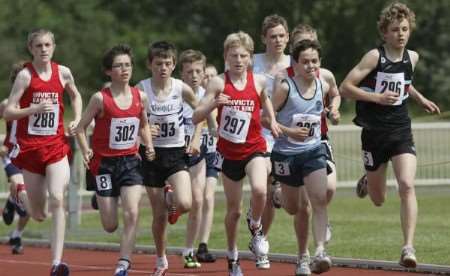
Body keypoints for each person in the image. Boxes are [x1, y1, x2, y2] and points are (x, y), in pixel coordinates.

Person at [339, 2, 440, 268]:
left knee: (406, 185)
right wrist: (376, 97)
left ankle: (408, 247)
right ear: (385, 32)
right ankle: (368, 180)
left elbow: (405, 82)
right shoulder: (374, 57)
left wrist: (420, 98)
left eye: (405, 29)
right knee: (378, 199)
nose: (401, 34)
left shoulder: (413, 57)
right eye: (395, 30)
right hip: (373, 133)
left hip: (400, 130)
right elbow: (345, 87)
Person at [193, 31, 281, 276]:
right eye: (234, 56)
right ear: (225, 57)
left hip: (254, 147)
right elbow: (195, 116)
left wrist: (272, 120)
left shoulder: (259, 81)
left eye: (243, 56)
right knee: (234, 210)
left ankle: (256, 226)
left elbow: (266, 101)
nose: (239, 60)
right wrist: (213, 104)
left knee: (261, 189)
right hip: (229, 153)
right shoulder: (219, 83)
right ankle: (232, 257)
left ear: (250, 58)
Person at [4, 28, 82, 276]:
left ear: (54, 47)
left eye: (47, 45)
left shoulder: (63, 72)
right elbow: (9, 111)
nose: (44, 50)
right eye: (38, 46)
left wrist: (77, 119)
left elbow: (76, 95)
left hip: (56, 145)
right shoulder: (26, 76)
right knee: (38, 214)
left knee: (57, 198)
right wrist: (33, 109)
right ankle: (19, 193)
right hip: (30, 149)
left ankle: (57, 263)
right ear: (31, 49)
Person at [76, 44, 155, 276]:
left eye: (127, 65)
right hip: (104, 166)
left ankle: (123, 262)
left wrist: (148, 144)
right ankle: (99, 200)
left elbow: (143, 125)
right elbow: (80, 128)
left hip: (130, 162)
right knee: (110, 225)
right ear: (108, 71)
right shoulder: (100, 99)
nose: (124, 69)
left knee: (132, 212)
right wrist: (85, 150)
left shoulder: (140, 97)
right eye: (119, 66)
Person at [270, 39, 335, 276]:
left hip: (313, 151)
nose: (310, 66)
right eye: (305, 62)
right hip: (286, 154)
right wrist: (289, 132)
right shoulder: (286, 87)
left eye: (314, 61)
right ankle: (277, 193)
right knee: (293, 207)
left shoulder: (323, 84)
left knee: (318, 199)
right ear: (295, 64)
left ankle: (317, 252)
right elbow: (265, 118)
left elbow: (334, 97)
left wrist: (333, 110)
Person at [137, 41, 202, 276]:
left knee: (186, 203)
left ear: (174, 65)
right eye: (158, 64)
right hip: (151, 154)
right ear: (149, 65)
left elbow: (200, 112)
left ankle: (172, 198)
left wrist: (196, 139)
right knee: (159, 215)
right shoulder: (141, 90)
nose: (162, 68)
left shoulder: (181, 88)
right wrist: (142, 131)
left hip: (175, 152)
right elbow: (128, 117)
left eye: (167, 63)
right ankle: (161, 259)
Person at [286, 23, 341, 244]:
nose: (307, 47)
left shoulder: (324, 75)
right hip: (290, 144)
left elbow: (335, 94)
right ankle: (304, 254)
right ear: (294, 48)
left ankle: (322, 221)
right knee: (299, 207)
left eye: (310, 42)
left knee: (328, 189)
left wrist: (334, 109)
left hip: (319, 140)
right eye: (301, 43)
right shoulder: (284, 77)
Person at [250, 14, 291, 270]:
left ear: (287, 37)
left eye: (281, 36)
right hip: (257, 131)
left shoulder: (294, 62)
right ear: (263, 38)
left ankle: (260, 232)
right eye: (272, 36)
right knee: (265, 189)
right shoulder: (251, 63)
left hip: (286, 132)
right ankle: (260, 236)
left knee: (278, 196)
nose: (277, 40)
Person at [179, 49, 217, 268]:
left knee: (199, 201)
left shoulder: (207, 95)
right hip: (174, 154)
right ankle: (170, 198)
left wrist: (213, 130)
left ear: (204, 73)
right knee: (181, 203)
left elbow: (209, 122)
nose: (194, 75)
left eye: (198, 71)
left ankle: (189, 251)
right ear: (182, 74)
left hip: (199, 153)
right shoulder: (174, 93)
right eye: (189, 71)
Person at [0, 62, 31, 255]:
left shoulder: (37, 102)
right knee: (16, 184)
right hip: (11, 153)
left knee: (29, 209)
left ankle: (17, 234)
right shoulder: (6, 104)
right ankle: (14, 198)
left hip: (32, 154)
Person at [196, 63, 219, 264]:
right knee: (195, 198)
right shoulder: (197, 98)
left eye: (213, 76)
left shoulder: (222, 99)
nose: (210, 79)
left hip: (213, 153)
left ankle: (203, 245)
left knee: (209, 197)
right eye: (207, 76)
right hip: (194, 152)